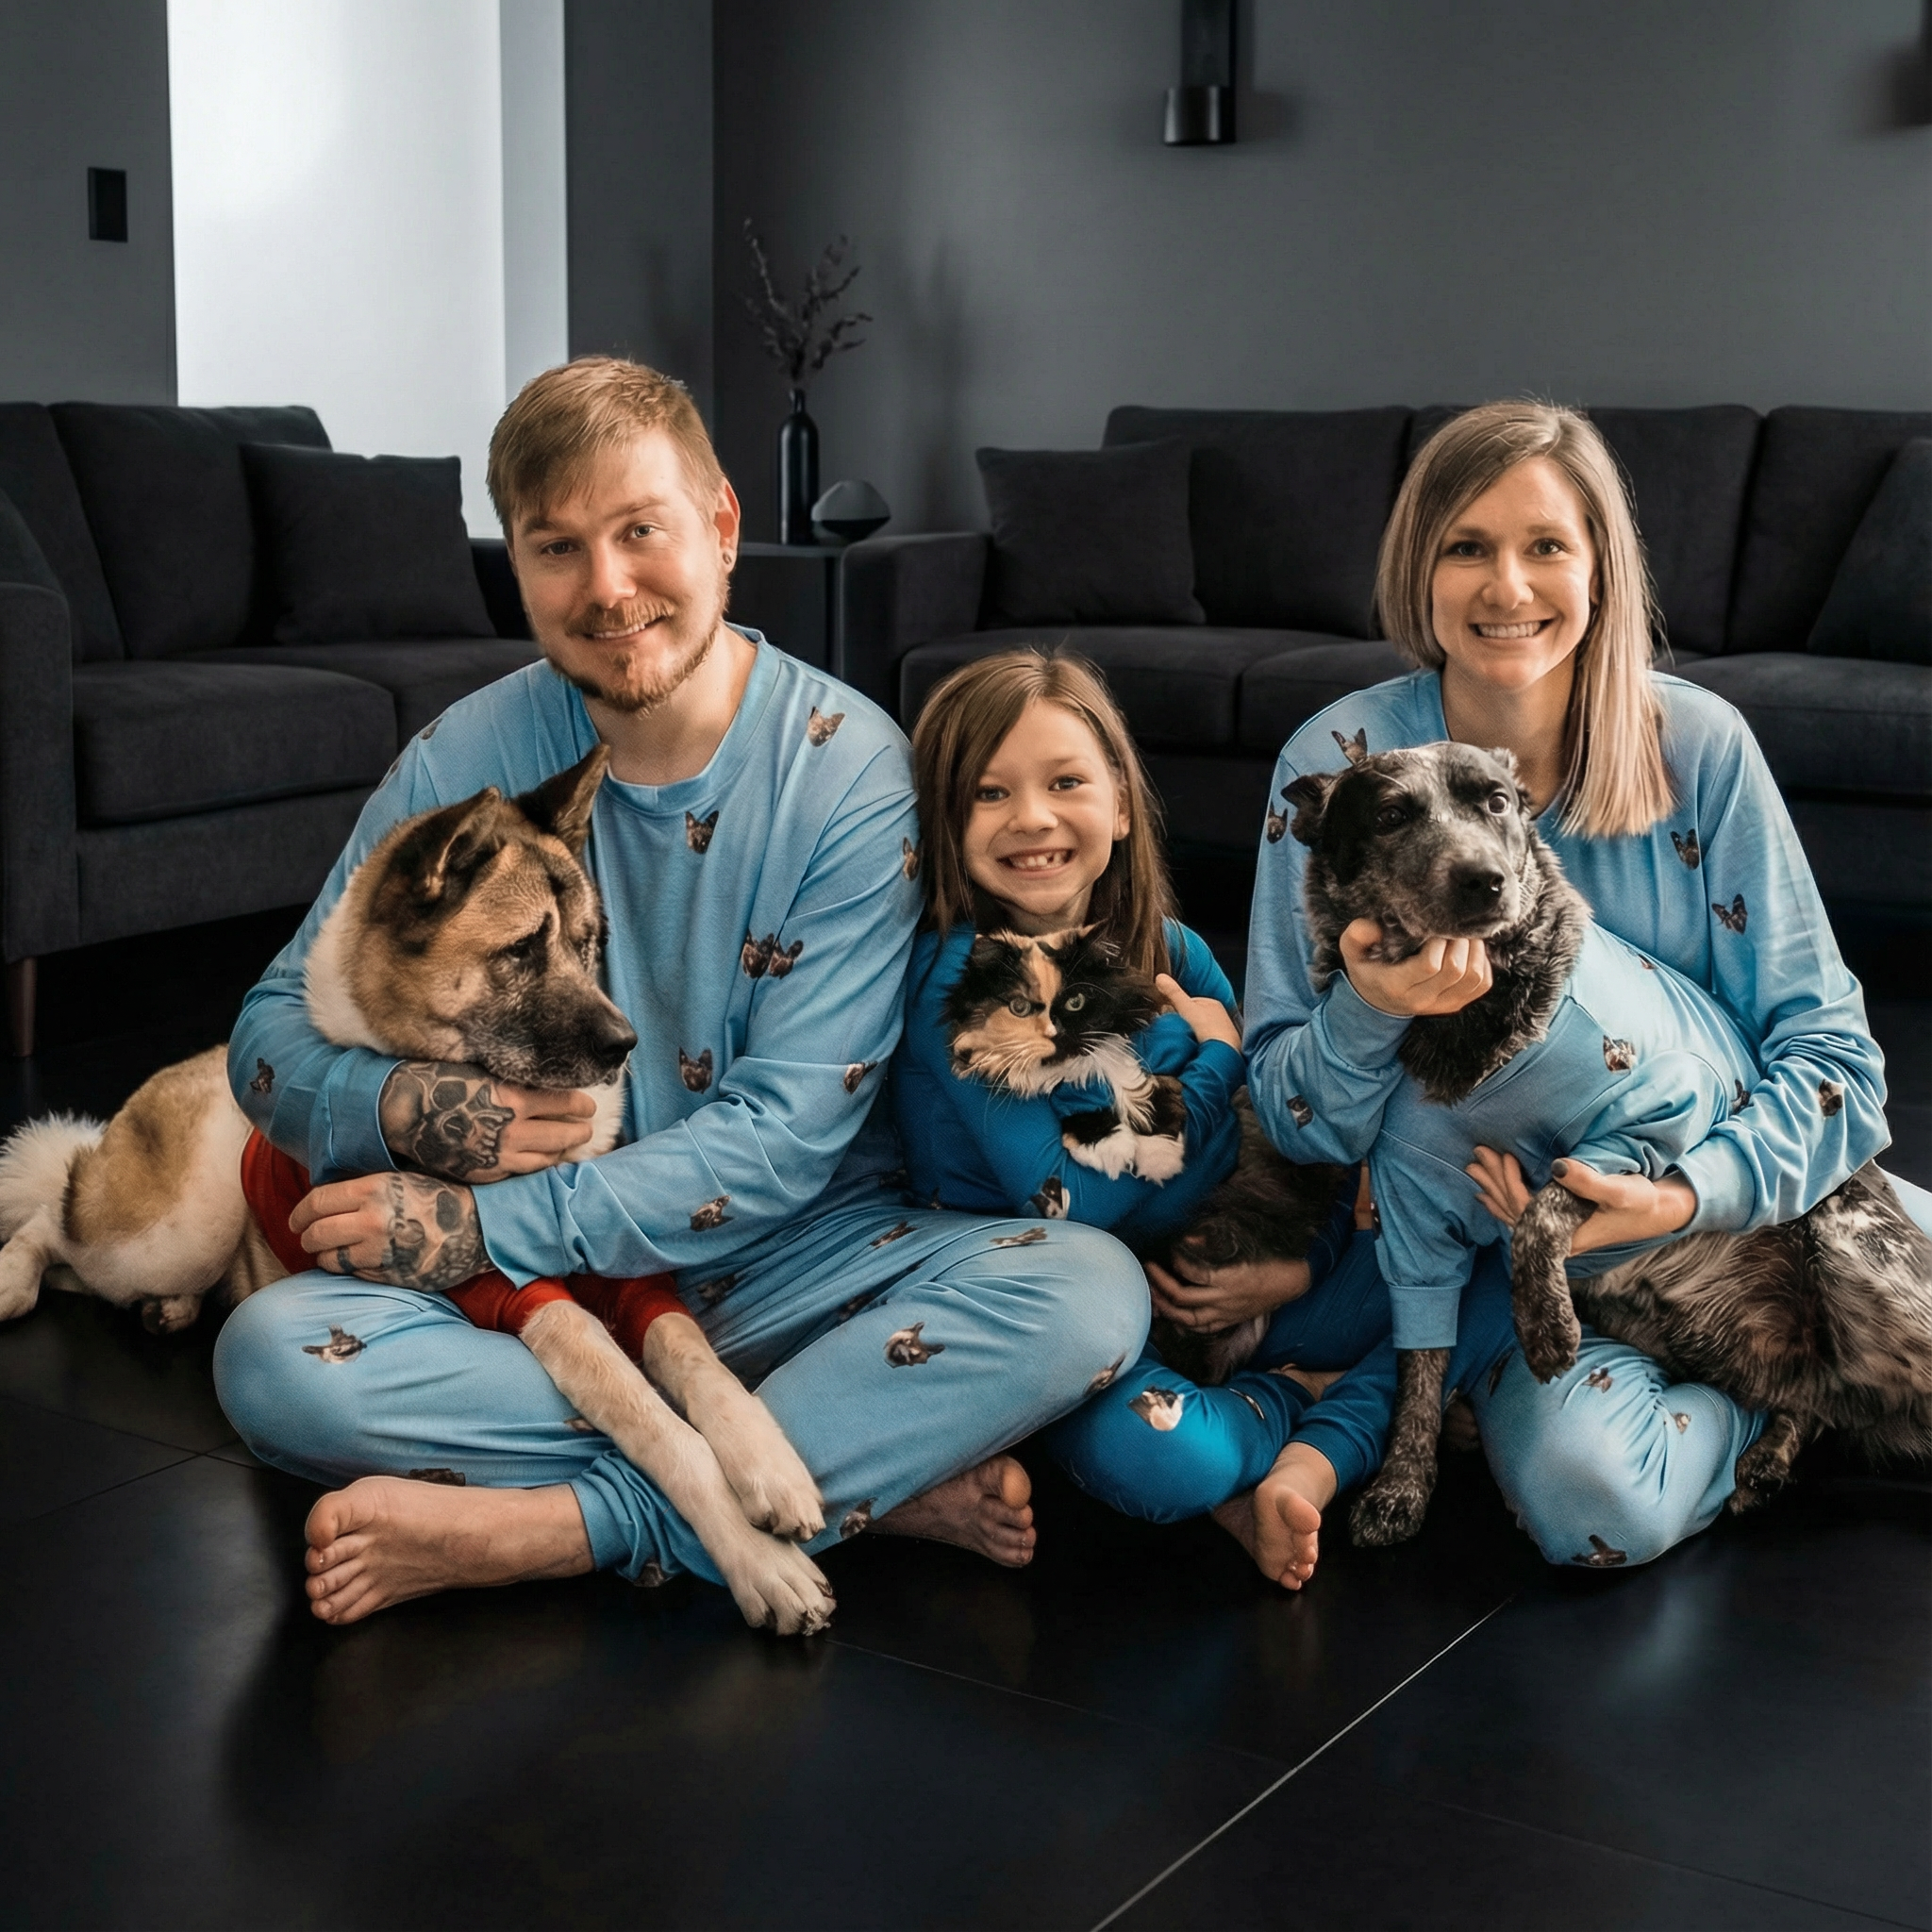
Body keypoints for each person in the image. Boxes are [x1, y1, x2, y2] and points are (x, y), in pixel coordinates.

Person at [211, 358, 1149, 1624]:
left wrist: (478, 1230)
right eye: (557, 548)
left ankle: (571, 1530)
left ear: (718, 528)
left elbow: (783, 1141)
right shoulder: (466, 757)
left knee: (1087, 1291)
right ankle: (853, 1468)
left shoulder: (849, 770)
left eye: (640, 531)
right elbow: (267, 1037)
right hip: (552, 1317)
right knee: (273, 1365)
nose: (607, 587)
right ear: (518, 566)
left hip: (798, 1264)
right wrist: (412, 1117)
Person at [1208, 398, 1930, 1582]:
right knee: (1590, 1504)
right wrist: (1369, 1008)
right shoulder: (1334, 769)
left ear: (1600, 565)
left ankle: (1781, 1368)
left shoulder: (1697, 746)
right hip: (1526, 1274)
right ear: (1415, 568)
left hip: (1746, 1199)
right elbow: (1293, 1117)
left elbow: (1836, 1065)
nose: (1508, 585)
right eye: (1465, 545)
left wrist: (1684, 1194)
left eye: (1546, 544)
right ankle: (1765, 1399)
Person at [891, 649, 1516, 1589]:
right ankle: (1310, 1411)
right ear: (945, 819)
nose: (1032, 817)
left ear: (1117, 801)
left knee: (1486, 1262)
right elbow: (1079, 1202)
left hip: (1238, 1272)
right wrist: (1218, 1051)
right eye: (988, 793)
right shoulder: (963, 978)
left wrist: (1294, 1264)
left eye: (1065, 781)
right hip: (1087, 1325)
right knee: (1160, 1457)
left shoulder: (1171, 947)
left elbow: (1282, 1129)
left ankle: (1318, 1424)